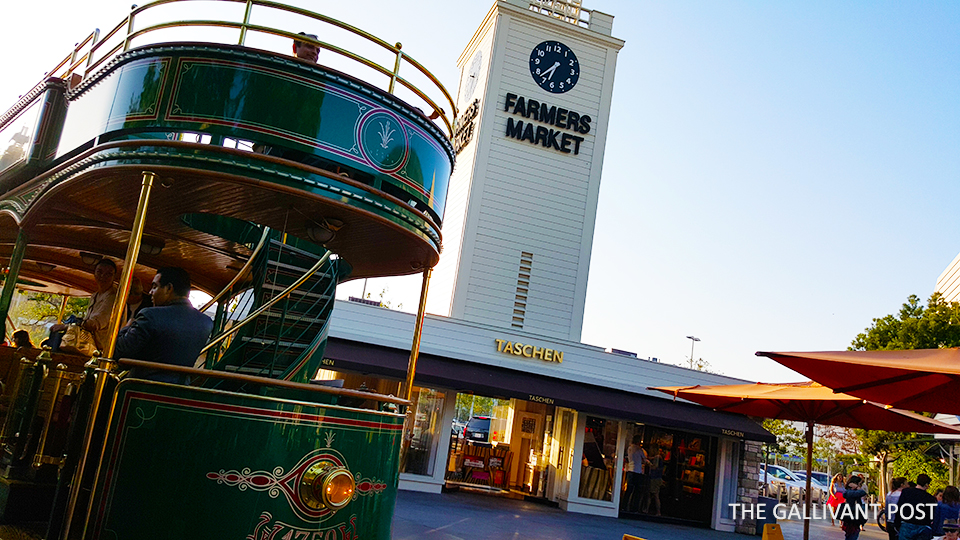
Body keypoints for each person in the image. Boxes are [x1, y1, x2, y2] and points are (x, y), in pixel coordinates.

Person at [114, 267, 213, 384]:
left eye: (154, 287)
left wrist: (125, 328)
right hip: (178, 390)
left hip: (142, 388)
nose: (150, 292)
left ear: (169, 288)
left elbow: (119, 353)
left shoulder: (150, 315)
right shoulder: (206, 322)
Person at [51, 258, 122, 353]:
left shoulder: (113, 297)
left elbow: (94, 324)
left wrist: (66, 326)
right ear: (94, 273)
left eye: (108, 274)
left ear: (114, 277)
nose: (103, 276)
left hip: (101, 350)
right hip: (88, 345)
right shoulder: (95, 295)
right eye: (99, 272)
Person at [895, 473, 938, 540]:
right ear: (926, 485)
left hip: (907, 525)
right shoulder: (930, 498)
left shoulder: (906, 492)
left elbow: (899, 508)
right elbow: (931, 515)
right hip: (923, 527)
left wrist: (897, 523)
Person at [622, 434, 649, 513]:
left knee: (629, 490)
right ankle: (634, 508)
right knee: (637, 491)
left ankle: (624, 505)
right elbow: (644, 460)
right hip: (637, 471)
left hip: (630, 470)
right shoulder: (639, 450)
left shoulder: (630, 448)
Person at [841, 475, 869, 540]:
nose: (860, 486)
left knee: (850, 536)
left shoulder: (850, 492)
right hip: (852, 518)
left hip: (852, 517)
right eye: (859, 484)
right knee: (852, 536)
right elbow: (862, 492)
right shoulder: (850, 492)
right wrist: (856, 487)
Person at [642, 445, 665, 516]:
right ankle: (648, 509)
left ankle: (656, 511)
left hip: (655, 478)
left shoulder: (657, 457)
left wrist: (649, 464)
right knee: (653, 495)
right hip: (657, 478)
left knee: (654, 495)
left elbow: (654, 467)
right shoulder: (658, 457)